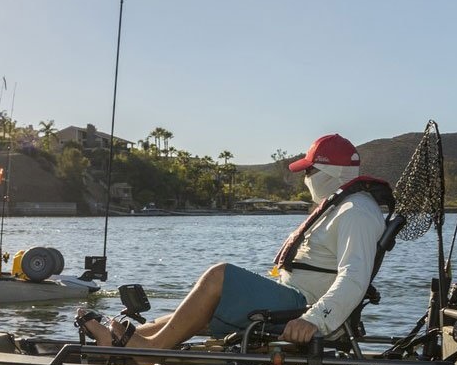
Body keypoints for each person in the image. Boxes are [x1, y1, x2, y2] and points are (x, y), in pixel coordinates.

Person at [78, 133, 389, 348]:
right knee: (193, 312)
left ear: (327, 172)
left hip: (302, 306)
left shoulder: (356, 211)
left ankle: (147, 350)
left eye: (308, 170)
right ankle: (122, 337)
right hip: (294, 297)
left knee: (220, 275)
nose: (305, 177)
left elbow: (354, 277)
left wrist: (314, 320)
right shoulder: (344, 206)